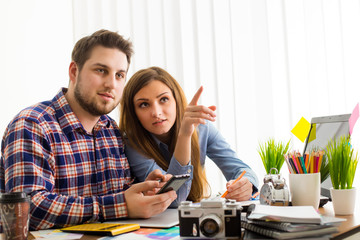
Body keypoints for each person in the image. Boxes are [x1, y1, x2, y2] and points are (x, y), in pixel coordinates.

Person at [0, 30, 176, 231]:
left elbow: (120, 195)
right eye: (101, 70)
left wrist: (143, 192)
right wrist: (121, 205)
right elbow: (26, 209)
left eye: (119, 75)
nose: (111, 84)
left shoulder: (112, 132)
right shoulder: (32, 124)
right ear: (74, 71)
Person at [119, 66, 259, 207]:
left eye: (163, 99)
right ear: (133, 112)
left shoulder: (202, 128)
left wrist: (247, 185)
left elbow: (240, 169)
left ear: (176, 100)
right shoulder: (131, 143)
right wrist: (185, 135)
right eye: (144, 104)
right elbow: (173, 199)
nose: (156, 112)